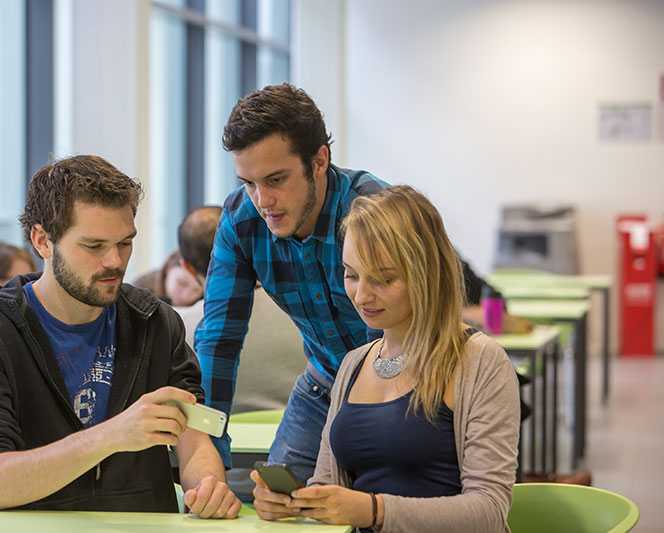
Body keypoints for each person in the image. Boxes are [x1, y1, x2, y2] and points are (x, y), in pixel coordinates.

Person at [0, 155, 240, 517]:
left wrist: (208, 486)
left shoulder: (155, 321)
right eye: (93, 246)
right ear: (42, 241)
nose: (114, 261)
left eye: (125, 243)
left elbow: (193, 439)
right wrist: (112, 435)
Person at [251, 185, 520, 532]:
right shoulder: (353, 365)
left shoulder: (480, 361)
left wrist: (375, 511)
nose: (361, 295)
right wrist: (299, 504)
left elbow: (489, 511)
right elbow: (327, 485)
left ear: (425, 274)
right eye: (351, 275)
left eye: (383, 279)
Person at [194, 83, 387, 484]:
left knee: (377, 499)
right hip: (323, 380)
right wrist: (208, 451)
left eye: (276, 179)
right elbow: (217, 339)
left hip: (402, 381)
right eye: (248, 182)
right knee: (276, 499)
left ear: (319, 161)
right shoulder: (241, 222)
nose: (262, 200)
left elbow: (385, 346)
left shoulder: (372, 212)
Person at [177, 206, 305, 414]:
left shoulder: (180, 331)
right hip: (303, 442)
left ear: (187, 267)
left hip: (213, 443)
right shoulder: (306, 316)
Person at [133, 250, 203, 308]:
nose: (186, 294)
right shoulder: (138, 294)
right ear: (168, 267)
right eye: (182, 283)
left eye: (195, 290)